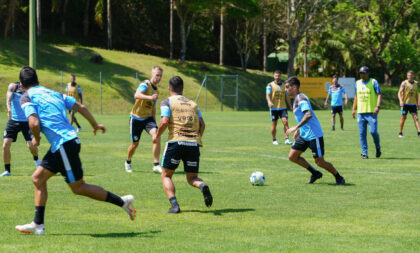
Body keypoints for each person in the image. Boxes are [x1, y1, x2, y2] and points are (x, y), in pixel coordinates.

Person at [15, 66, 136, 235]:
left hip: (63, 144)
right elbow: (80, 106)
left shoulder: (26, 97)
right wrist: (95, 125)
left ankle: (123, 202)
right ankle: (38, 224)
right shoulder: (52, 92)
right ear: (38, 81)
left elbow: (33, 123)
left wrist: (36, 139)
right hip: (65, 143)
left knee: (78, 187)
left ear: (21, 85)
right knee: (37, 178)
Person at [153, 76, 212, 213]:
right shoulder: (193, 104)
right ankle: (202, 186)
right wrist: (196, 139)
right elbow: (202, 125)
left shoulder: (167, 102)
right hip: (193, 143)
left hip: (176, 142)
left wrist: (157, 135)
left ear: (169, 88)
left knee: (166, 175)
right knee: (192, 177)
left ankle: (174, 205)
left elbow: (164, 121)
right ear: (182, 89)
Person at [284, 76, 345, 185]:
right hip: (304, 135)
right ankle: (315, 173)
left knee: (320, 162)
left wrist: (295, 127)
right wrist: (299, 130)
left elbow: (308, 114)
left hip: (314, 135)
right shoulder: (296, 98)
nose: (286, 89)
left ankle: (339, 177)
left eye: (287, 87)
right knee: (292, 156)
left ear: (294, 87)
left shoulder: (301, 98)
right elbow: (302, 116)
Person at [125, 66, 163, 174]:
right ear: (152, 74)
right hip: (136, 118)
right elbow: (136, 95)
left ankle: (156, 164)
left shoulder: (156, 90)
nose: (158, 78)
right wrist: (150, 97)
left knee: (156, 136)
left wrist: (155, 123)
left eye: (160, 76)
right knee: (135, 144)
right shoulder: (145, 84)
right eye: (157, 75)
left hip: (148, 119)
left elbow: (153, 108)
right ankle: (128, 161)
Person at [1, 82, 40, 177]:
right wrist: (9, 108)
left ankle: (37, 160)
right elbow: (8, 98)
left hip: (26, 121)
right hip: (13, 120)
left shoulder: (32, 88)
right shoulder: (13, 86)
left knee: (31, 146)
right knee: (5, 145)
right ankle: (7, 171)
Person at [352, 66, 382, 159]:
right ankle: (364, 153)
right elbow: (356, 96)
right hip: (360, 113)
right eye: (361, 73)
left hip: (371, 112)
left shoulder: (373, 82)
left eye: (364, 73)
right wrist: (353, 109)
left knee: (373, 132)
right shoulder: (357, 83)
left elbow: (379, 94)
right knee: (362, 134)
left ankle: (377, 147)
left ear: (368, 73)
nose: (362, 75)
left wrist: (377, 106)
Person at [266, 70, 293, 145]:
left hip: (283, 107)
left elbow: (287, 96)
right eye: (276, 75)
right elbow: (267, 94)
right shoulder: (270, 85)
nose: (277, 77)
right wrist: (269, 102)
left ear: (281, 76)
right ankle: (274, 140)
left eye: (279, 75)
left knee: (285, 122)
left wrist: (290, 106)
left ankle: (287, 139)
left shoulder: (284, 85)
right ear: (274, 76)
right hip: (274, 108)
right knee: (274, 124)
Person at [397, 70, 420, 137]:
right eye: (408, 75)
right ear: (407, 76)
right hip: (405, 104)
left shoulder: (416, 83)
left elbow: (416, 94)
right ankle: (400, 133)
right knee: (403, 118)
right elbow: (399, 93)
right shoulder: (404, 83)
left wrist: (418, 103)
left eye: (411, 75)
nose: (409, 77)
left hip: (412, 104)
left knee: (416, 118)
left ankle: (419, 132)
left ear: (413, 76)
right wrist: (401, 101)